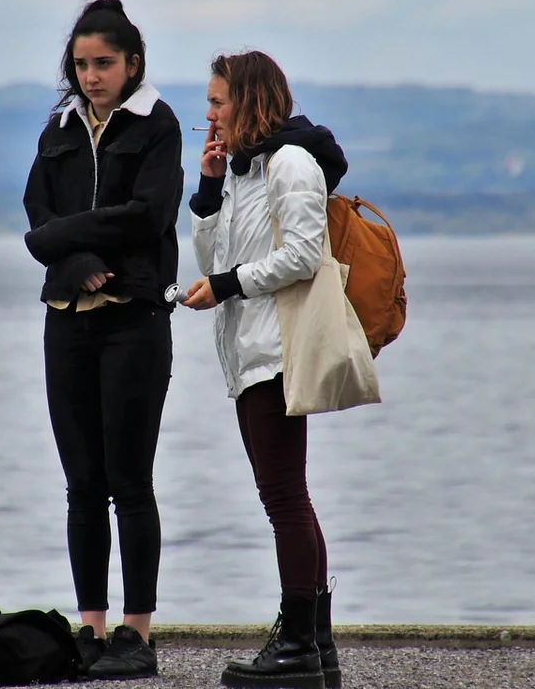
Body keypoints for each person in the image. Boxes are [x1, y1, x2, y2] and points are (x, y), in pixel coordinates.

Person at [21, 0, 184, 681]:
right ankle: (89, 628)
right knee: (82, 485)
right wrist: (76, 260)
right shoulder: (59, 126)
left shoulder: (157, 124)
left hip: (133, 319)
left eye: (104, 64)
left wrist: (63, 240)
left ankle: (136, 634)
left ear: (132, 64)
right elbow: (36, 211)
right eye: (83, 64)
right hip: (67, 317)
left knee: (130, 481)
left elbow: (148, 215)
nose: (91, 76)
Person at [181, 51, 348, 689]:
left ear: (249, 100)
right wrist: (207, 191)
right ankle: (317, 645)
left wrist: (227, 284)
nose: (209, 114)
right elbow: (213, 257)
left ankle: (298, 644)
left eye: (217, 101)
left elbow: (303, 254)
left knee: (283, 497)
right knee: (288, 495)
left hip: (276, 349)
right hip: (246, 349)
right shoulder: (245, 170)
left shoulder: (291, 163)